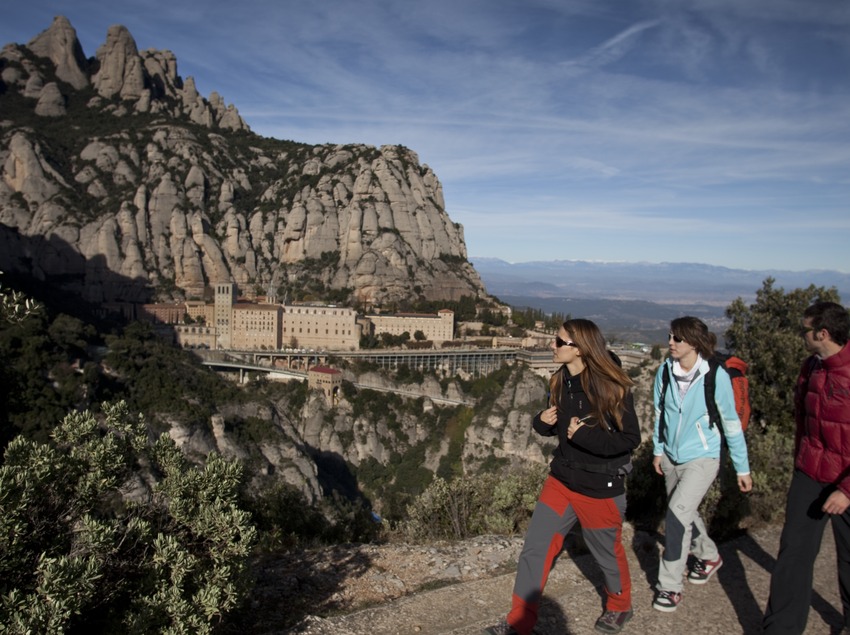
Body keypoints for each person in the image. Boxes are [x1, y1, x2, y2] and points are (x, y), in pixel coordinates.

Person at [486, 319, 641, 635]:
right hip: (561, 482)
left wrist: (585, 437)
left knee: (606, 553)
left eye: (559, 343)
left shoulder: (610, 387)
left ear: (580, 348)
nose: (552, 346)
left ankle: (620, 605)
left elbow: (629, 439)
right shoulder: (558, 382)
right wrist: (541, 422)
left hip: (600, 487)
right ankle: (520, 621)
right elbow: (550, 426)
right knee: (535, 549)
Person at [651, 316, 753, 612]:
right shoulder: (665, 372)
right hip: (671, 455)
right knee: (683, 511)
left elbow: (731, 424)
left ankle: (669, 587)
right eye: (670, 336)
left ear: (693, 343)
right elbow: (659, 413)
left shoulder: (714, 375)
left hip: (703, 457)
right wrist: (659, 450)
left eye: (677, 339)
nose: (670, 342)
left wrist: (741, 468)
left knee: (675, 515)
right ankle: (708, 555)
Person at [762, 301, 850, 634]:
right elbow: (803, 421)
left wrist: (846, 491)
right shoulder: (810, 366)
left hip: (847, 481)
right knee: (792, 557)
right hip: (810, 474)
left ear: (822, 333)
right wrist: (801, 463)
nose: (802, 335)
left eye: (806, 329)